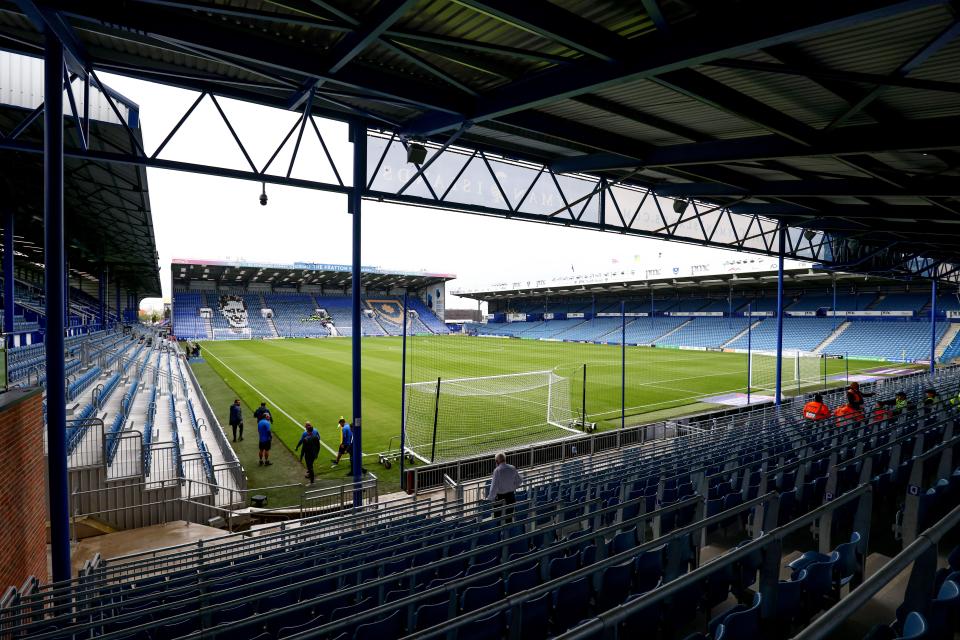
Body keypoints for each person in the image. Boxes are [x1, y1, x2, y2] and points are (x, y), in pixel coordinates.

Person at [486, 452, 522, 521]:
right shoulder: (512, 468)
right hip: (511, 496)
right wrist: (512, 487)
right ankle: (508, 531)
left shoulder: (497, 470)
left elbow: (494, 487)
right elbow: (519, 481)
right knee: (509, 519)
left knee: (498, 519)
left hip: (500, 498)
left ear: (497, 461)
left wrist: (489, 499)